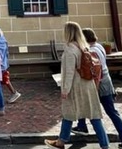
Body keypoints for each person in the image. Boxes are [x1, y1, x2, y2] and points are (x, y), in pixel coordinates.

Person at [45, 21, 109, 149]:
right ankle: (105, 145)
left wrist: (65, 90)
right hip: (88, 85)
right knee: (94, 116)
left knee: (68, 113)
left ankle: (61, 142)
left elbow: (69, 72)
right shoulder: (84, 47)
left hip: (76, 86)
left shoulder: (70, 49)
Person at [72, 28, 122, 147]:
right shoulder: (99, 46)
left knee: (104, 110)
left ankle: (83, 127)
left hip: (100, 84)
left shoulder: (91, 51)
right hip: (107, 82)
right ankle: (82, 126)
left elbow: (96, 72)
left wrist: (95, 88)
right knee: (110, 111)